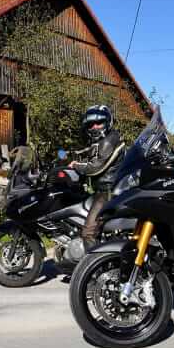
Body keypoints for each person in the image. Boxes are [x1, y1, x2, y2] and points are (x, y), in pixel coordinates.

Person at [69, 105, 125, 248]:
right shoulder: (100, 142)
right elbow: (86, 155)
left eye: (99, 123)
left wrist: (76, 166)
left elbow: (96, 167)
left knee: (88, 233)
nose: (94, 127)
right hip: (102, 190)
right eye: (91, 124)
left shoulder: (109, 140)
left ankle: (90, 261)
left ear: (107, 122)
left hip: (107, 192)